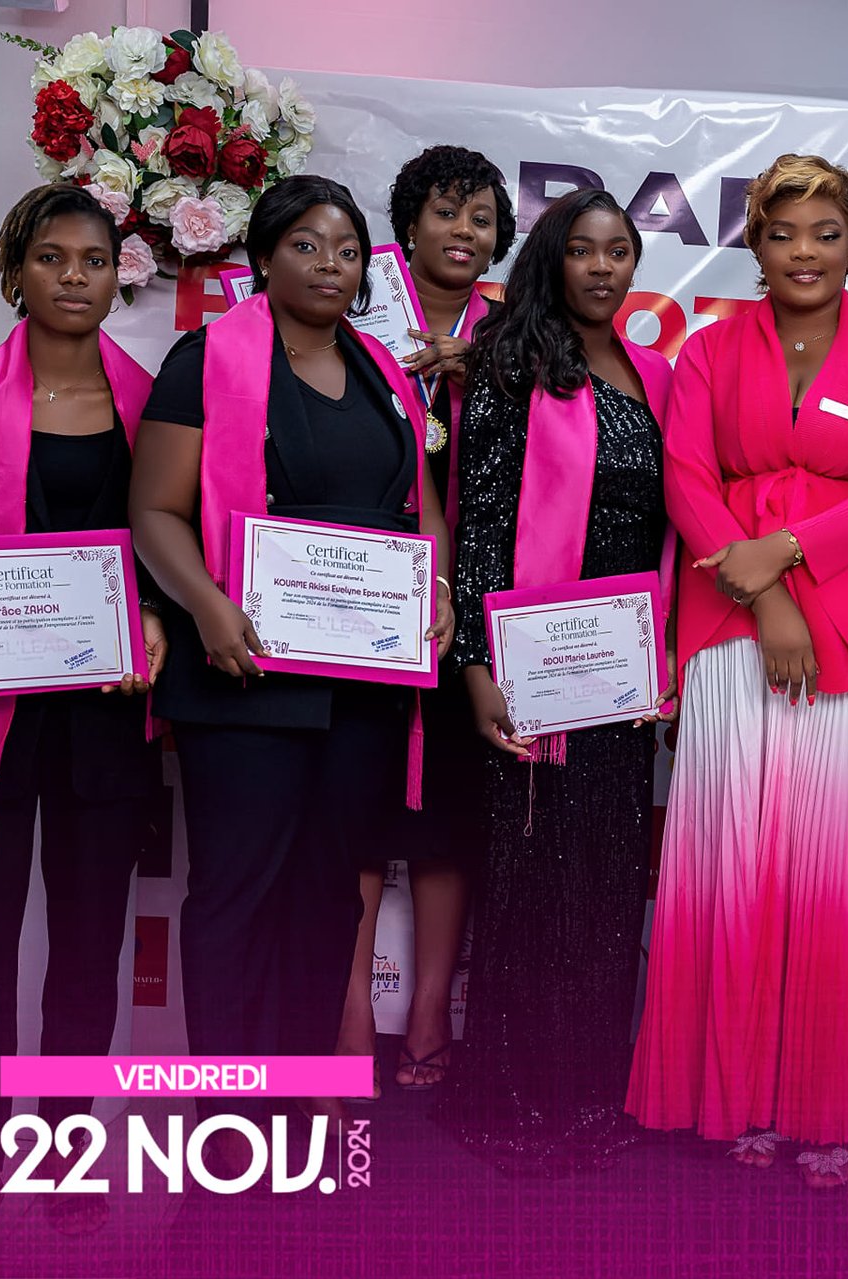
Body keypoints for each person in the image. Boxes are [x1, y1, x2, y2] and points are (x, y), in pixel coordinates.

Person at [626, 154, 848, 1190]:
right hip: (731, 617)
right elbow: (686, 479)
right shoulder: (710, 351)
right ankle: (741, 1095)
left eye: (826, 233)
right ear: (755, 243)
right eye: (782, 231)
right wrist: (764, 596)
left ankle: (828, 1101)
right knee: (736, 864)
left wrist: (791, 552)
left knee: (844, 870)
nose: (804, 251)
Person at [128, 176, 452, 1168]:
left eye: (346, 250)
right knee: (236, 900)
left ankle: (303, 1101)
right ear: (264, 257)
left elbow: (420, 505)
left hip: (360, 694)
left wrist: (437, 589)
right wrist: (207, 605)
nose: (328, 265)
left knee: (329, 902)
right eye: (306, 245)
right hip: (245, 684)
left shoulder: (382, 373)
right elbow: (155, 509)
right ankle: (228, 1126)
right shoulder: (206, 359)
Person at [0, 183, 163, 1246]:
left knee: (87, 947)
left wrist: (157, 627)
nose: (73, 277)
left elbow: (170, 550)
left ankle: (65, 1146)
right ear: (16, 271)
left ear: (117, 276)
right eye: (51, 257)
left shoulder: (155, 406)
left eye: (93, 260)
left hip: (103, 717)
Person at [435, 188, 673, 1175]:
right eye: (583, 250)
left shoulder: (655, 375)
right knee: (533, 882)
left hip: (619, 678)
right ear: (552, 258)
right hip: (531, 668)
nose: (603, 268)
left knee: (607, 887)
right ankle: (514, 1096)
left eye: (619, 251)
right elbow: (482, 523)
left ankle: (587, 1089)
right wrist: (476, 667)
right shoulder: (511, 366)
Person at [338, 145, 517, 1096]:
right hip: (356, 600)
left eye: (482, 219)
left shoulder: (515, 337)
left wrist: (484, 371)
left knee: (449, 819)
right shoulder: (351, 310)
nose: (463, 232)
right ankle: (349, 1022)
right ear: (407, 225)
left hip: (468, 604)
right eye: (447, 213)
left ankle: (432, 1015)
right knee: (360, 818)